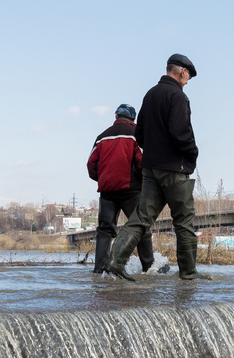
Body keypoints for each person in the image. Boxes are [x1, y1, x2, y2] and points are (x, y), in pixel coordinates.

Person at [107, 54, 210, 281]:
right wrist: (193, 152)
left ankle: (115, 261)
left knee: (141, 218)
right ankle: (189, 272)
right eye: (188, 77)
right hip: (175, 168)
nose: (187, 81)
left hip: (151, 168)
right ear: (182, 71)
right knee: (184, 221)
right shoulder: (178, 97)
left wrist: (154, 152)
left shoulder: (150, 94)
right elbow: (180, 133)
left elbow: (140, 134)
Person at [87, 104, 157, 274]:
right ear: (133, 119)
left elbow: (90, 164)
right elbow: (143, 162)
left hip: (107, 191)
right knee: (141, 227)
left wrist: (103, 179)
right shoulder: (135, 135)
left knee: (105, 230)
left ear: (116, 116)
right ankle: (149, 267)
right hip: (131, 190)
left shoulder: (101, 137)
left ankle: (100, 269)